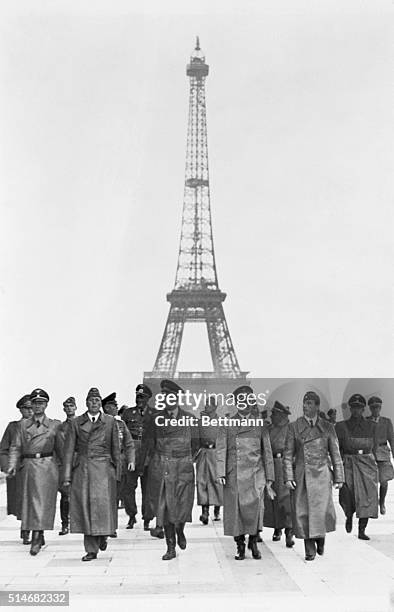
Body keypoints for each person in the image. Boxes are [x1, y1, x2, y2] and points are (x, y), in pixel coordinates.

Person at [62, 387, 123, 561]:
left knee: (103, 507)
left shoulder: (110, 421)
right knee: (86, 508)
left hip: (104, 470)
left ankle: (103, 534)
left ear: (100, 403)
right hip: (84, 469)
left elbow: (115, 449)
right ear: (86, 403)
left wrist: (117, 472)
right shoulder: (76, 423)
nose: (94, 403)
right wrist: (66, 476)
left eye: (97, 400)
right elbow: (68, 451)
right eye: (91, 400)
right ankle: (91, 548)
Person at [216, 385, 275, 561]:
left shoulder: (260, 425)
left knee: (256, 509)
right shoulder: (227, 424)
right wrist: (221, 472)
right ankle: (240, 544)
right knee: (236, 511)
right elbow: (221, 450)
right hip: (234, 474)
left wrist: (270, 477)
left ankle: (254, 541)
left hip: (256, 474)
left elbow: (268, 452)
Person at [283, 391, 344, 561]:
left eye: (309, 403)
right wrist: (288, 477)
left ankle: (320, 537)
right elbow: (288, 455)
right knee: (303, 512)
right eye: (304, 402)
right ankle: (309, 548)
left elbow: (335, 453)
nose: (305, 406)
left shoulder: (328, 427)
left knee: (321, 511)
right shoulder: (293, 427)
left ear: (317, 406)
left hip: (322, 475)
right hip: (302, 475)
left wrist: (339, 477)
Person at [144, 379, 198, 560]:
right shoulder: (154, 419)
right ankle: (171, 547)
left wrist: (185, 456)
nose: (169, 399)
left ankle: (180, 529)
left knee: (182, 506)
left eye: (172, 396)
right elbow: (148, 443)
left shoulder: (190, 418)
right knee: (166, 508)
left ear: (178, 398)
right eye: (165, 396)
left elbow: (196, 444)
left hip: (183, 467)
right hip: (163, 467)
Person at [7, 388, 62, 556]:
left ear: (46, 405)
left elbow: (61, 449)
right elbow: (15, 447)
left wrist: (65, 471)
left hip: (47, 467)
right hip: (29, 466)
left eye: (41, 403)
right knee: (30, 504)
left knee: (44, 504)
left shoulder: (54, 425)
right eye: (35, 403)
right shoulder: (23, 425)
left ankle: (38, 535)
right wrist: (11, 465)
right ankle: (36, 533)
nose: (38, 406)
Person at [336, 394, 379, 540]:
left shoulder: (372, 426)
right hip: (348, 462)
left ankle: (362, 529)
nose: (357, 411)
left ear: (363, 409)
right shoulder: (341, 426)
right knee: (347, 494)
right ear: (350, 409)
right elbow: (337, 448)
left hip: (367, 463)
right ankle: (349, 515)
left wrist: (376, 465)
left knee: (367, 496)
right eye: (354, 408)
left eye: (359, 408)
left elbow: (376, 447)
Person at [0, 395, 33, 545]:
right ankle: (26, 529)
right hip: (19, 469)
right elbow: (4, 450)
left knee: (37, 500)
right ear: (20, 409)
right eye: (27, 408)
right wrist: (8, 467)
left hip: (36, 468)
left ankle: (37, 530)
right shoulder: (13, 427)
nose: (30, 411)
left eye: (32, 407)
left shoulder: (40, 425)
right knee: (22, 501)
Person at [121, 384, 155, 530]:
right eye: (138, 396)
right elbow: (122, 433)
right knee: (128, 487)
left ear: (148, 399)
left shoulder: (155, 414)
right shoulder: (128, 413)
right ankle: (131, 515)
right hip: (132, 451)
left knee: (148, 488)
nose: (139, 399)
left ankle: (147, 518)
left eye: (142, 397)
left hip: (148, 452)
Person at [102, 392, 135, 532]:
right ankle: (112, 525)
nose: (117, 407)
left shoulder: (120, 424)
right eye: (114, 405)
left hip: (121, 464)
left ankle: (132, 515)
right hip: (106, 464)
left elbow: (129, 443)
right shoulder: (100, 424)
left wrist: (131, 460)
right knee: (110, 496)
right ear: (107, 407)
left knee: (126, 492)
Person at [263, 401, 294, 548]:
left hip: (285, 465)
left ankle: (289, 531)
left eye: (274, 414)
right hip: (270, 465)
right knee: (272, 500)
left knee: (286, 500)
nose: (272, 416)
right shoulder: (268, 429)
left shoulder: (291, 429)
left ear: (281, 415)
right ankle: (277, 528)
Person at [195, 397, 223, 524]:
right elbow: (195, 440)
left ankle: (217, 509)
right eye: (205, 404)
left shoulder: (221, 422)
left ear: (215, 407)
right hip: (203, 454)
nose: (206, 406)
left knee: (217, 482)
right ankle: (204, 512)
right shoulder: (200, 422)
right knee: (202, 482)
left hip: (216, 454)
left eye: (209, 404)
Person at [366, 396, 394, 515]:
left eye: (377, 407)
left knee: (384, 480)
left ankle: (381, 502)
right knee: (371, 481)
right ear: (370, 408)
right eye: (373, 407)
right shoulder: (365, 421)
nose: (375, 409)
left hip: (383, 452)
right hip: (370, 453)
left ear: (380, 407)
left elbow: (392, 439)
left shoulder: (386, 421)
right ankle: (372, 503)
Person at [57, 396, 77, 536]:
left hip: (79, 463)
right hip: (65, 464)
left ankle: (77, 522)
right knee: (65, 496)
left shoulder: (81, 424)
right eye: (67, 407)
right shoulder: (61, 427)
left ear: (75, 408)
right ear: (64, 409)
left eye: (71, 406)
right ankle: (65, 524)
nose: (69, 409)